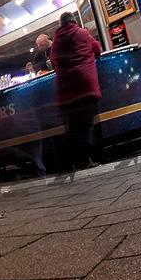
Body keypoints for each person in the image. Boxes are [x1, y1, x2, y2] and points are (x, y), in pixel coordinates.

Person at [50, 11, 102, 170]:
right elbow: (97, 49)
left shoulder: (55, 41)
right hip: (85, 86)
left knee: (73, 127)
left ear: (61, 24)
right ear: (74, 21)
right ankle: (85, 161)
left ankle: (76, 162)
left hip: (65, 91)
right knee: (86, 125)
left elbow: (53, 63)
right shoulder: (82, 33)